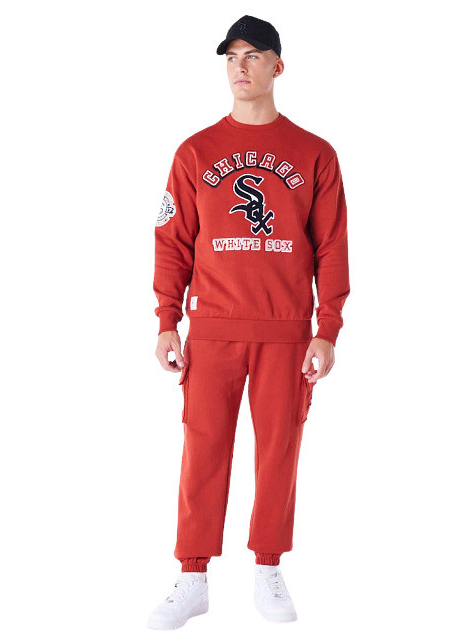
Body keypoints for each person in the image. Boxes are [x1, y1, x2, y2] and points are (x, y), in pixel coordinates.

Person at [147, 14, 350, 630]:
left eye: (253, 55)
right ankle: (192, 575)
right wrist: (167, 318)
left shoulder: (315, 154)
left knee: (278, 452)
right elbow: (172, 241)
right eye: (231, 57)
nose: (240, 67)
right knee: (202, 451)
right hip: (212, 330)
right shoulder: (194, 152)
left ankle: (267, 567)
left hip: (286, 332)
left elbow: (331, 247)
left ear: (277, 66)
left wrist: (327, 328)